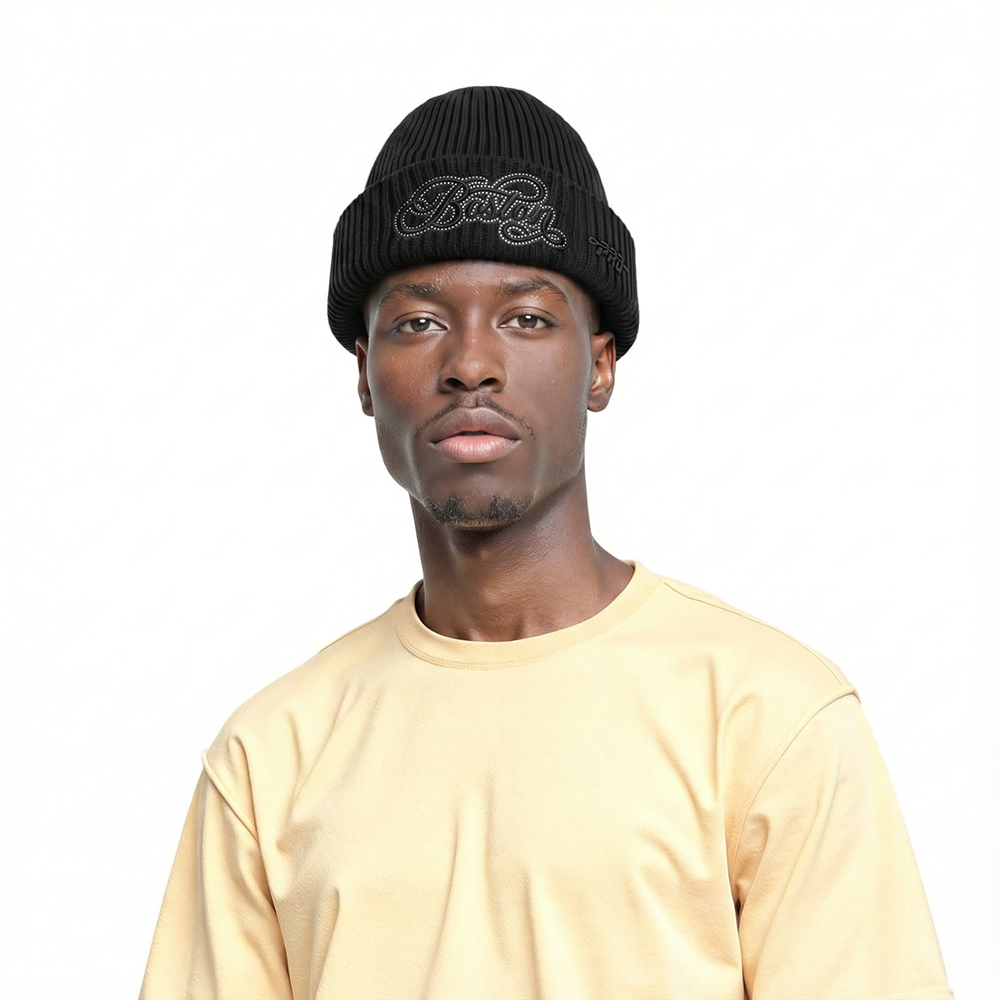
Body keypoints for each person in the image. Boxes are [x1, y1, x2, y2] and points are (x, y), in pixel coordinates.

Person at [140, 86, 951, 1000]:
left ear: (599, 365)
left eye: (526, 317)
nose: (470, 364)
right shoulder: (269, 758)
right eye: (418, 322)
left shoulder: (767, 717)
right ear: (364, 374)